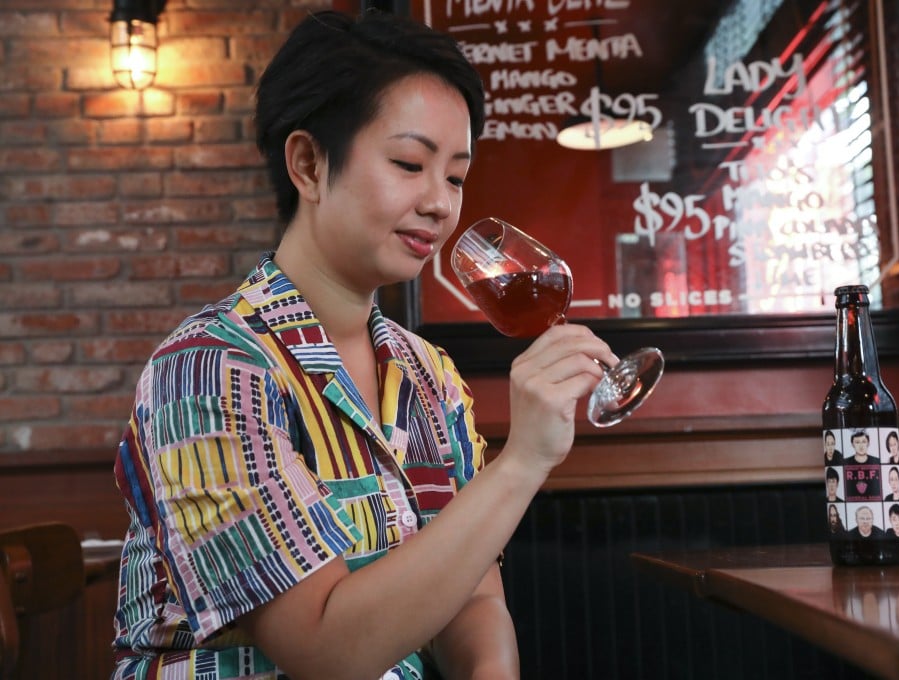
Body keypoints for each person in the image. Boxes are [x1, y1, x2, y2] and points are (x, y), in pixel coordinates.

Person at [110, 10, 616, 680]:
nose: (440, 203)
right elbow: (323, 651)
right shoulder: (208, 367)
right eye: (410, 164)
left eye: (457, 177)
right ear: (309, 164)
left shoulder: (428, 374)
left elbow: (472, 601)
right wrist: (522, 463)